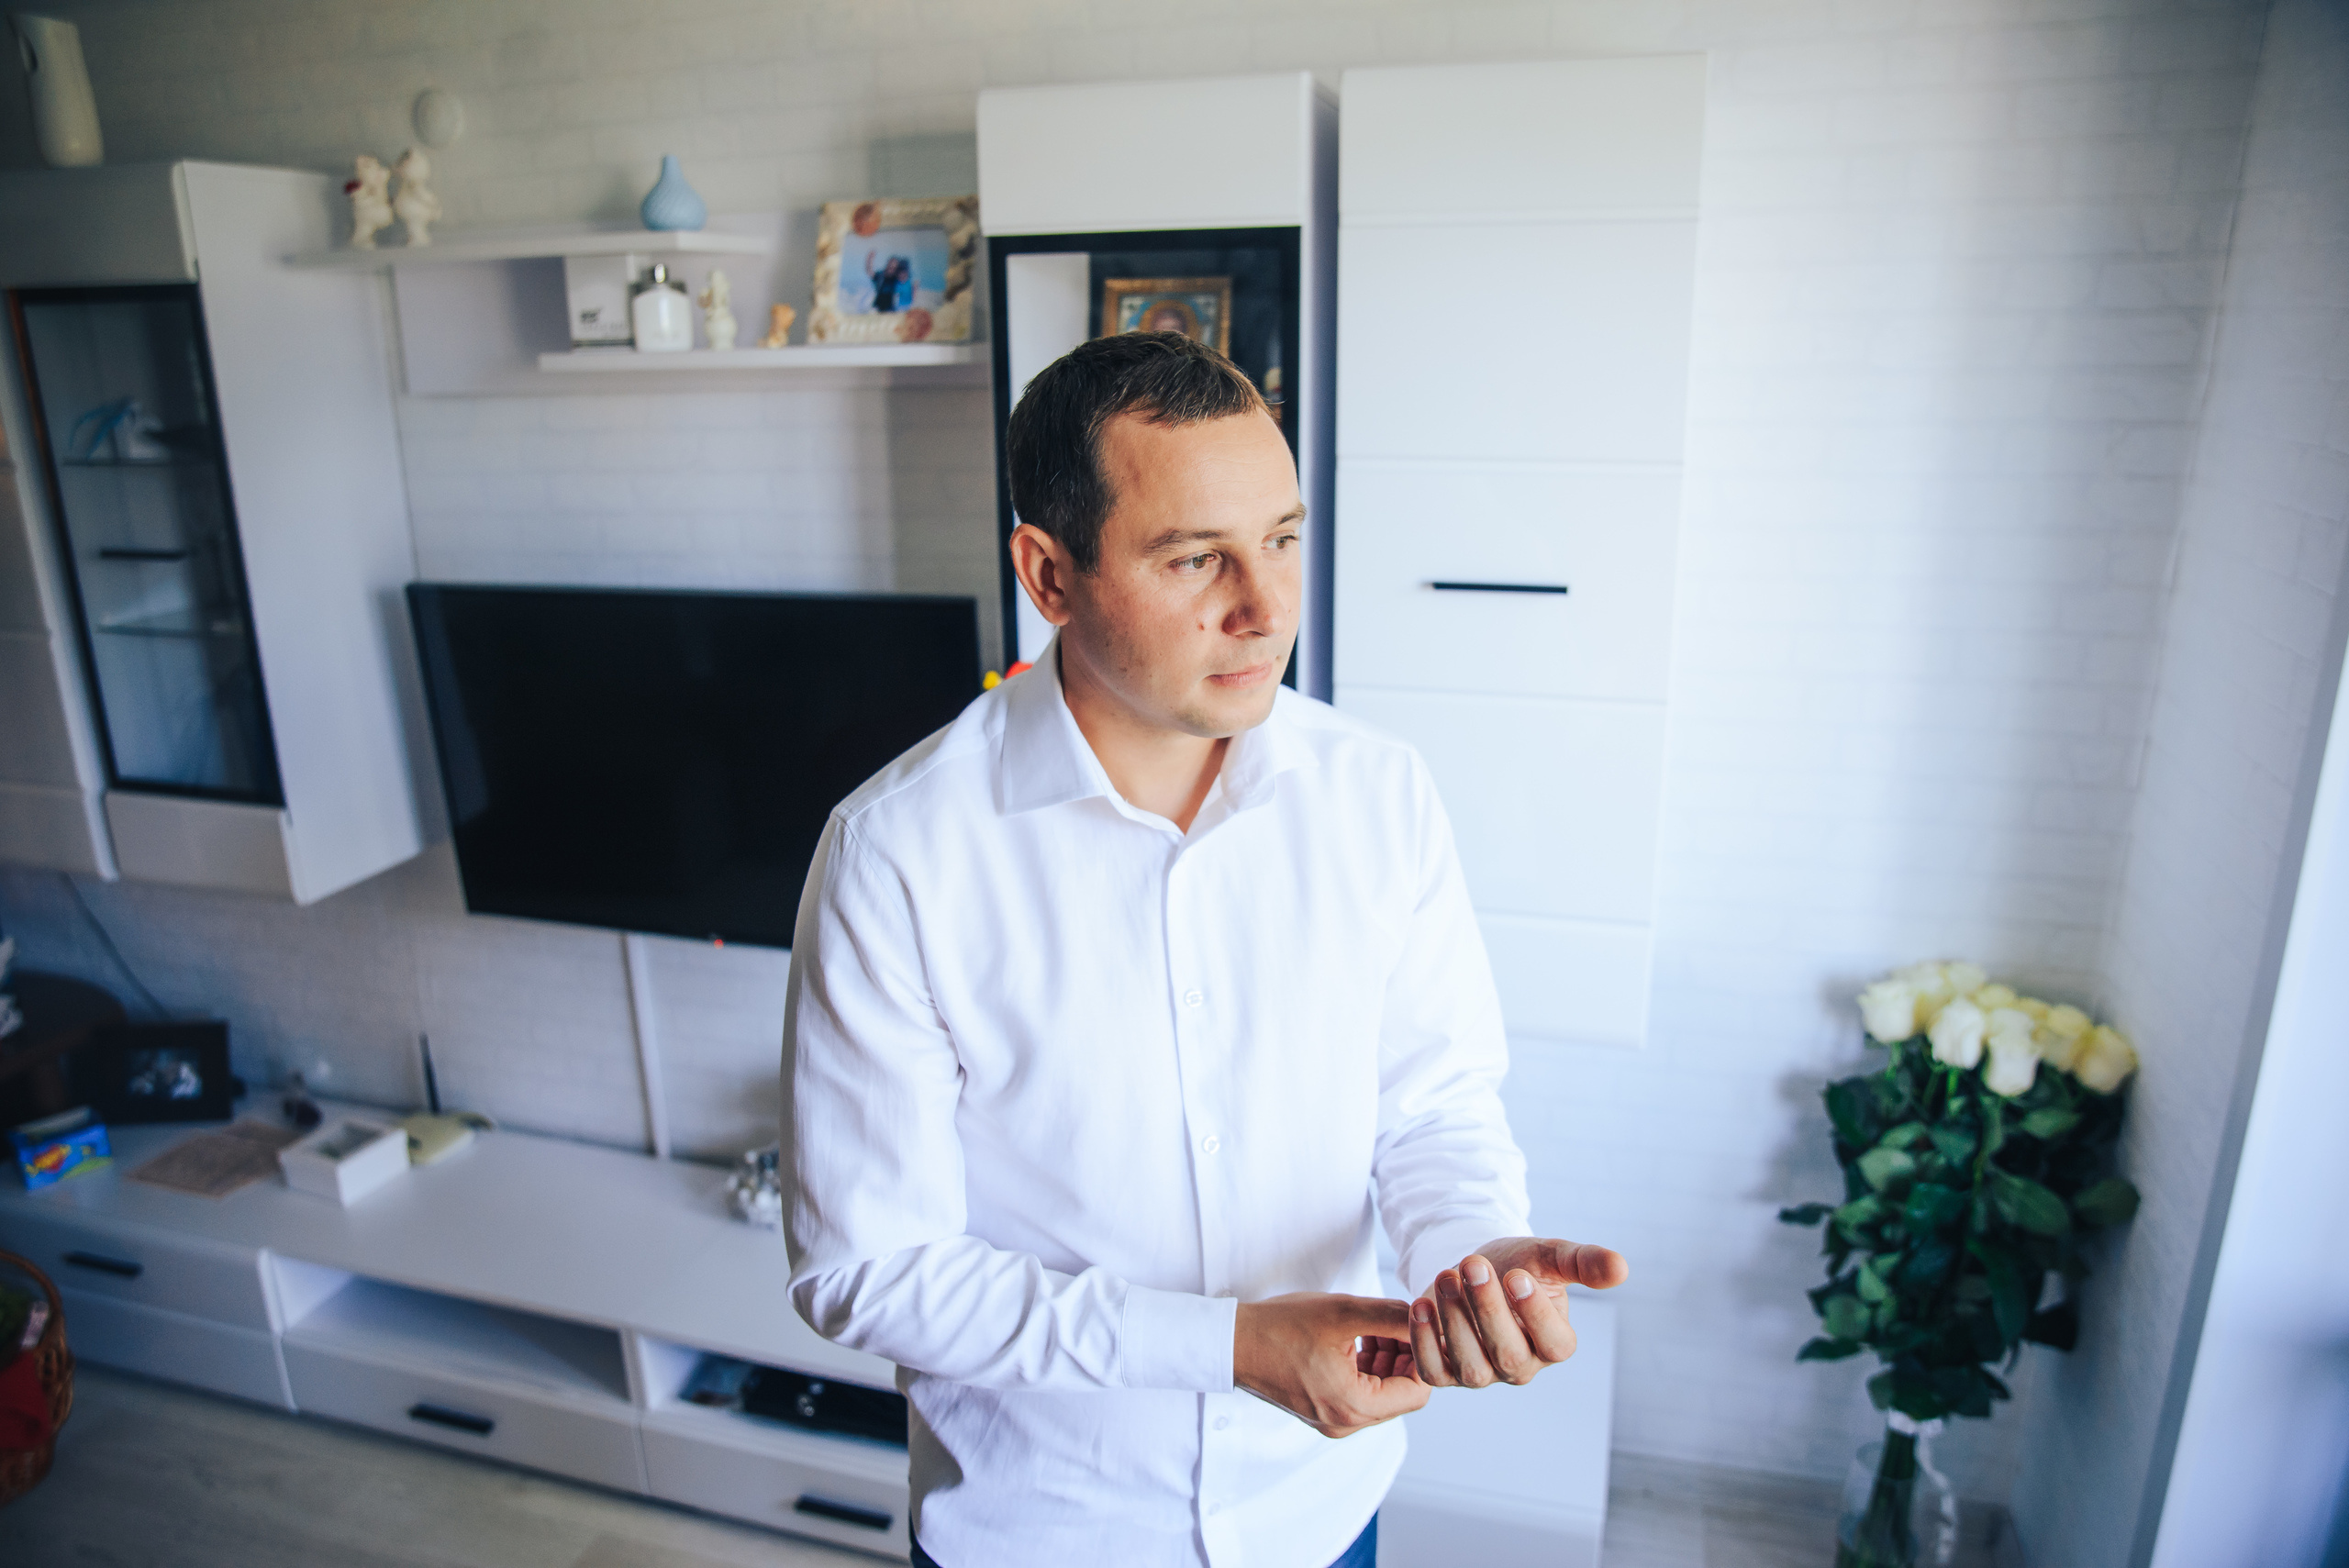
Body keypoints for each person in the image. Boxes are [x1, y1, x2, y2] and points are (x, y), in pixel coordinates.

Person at [783, 331, 1627, 1568]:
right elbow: (870, 1268)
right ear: (1049, 573)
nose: (1267, 606)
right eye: (1196, 558)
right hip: (1040, 1537)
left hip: (1319, 1515)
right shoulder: (896, 856)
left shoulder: (1378, 795)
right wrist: (1233, 1343)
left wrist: (1469, 1257)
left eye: (1282, 537)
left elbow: (1433, 1105)